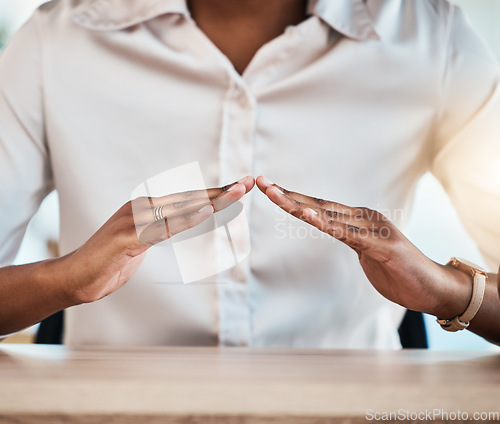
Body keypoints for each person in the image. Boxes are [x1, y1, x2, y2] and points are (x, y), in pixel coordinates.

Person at [0, 0, 499, 347]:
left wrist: (445, 292)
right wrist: (66, 281)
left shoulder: (433, 40)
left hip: (353, 406)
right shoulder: (55, 41)